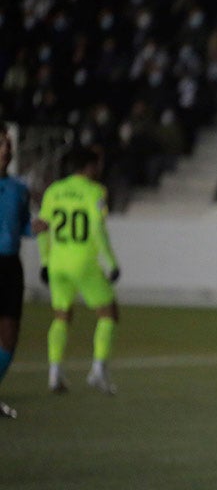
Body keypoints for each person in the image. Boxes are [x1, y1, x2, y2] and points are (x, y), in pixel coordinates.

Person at [38, 145, 121, 395]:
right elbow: (97, 229)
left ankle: (54, 374)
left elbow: (43, 227)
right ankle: (98, 370)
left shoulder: (54, 191)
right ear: (89, 167)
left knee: (61, 316)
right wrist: (112, 262)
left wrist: (44, 260)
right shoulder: (95, 191)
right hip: (82, 260)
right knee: (108, 314)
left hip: (57, 261)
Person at [0, 126, 34, 418]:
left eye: (8, 144)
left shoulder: (19, 188)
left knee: (9, 338)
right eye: (2, 144)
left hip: (11, 267)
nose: (7, 150)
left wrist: (33, 229)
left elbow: (22, 225)